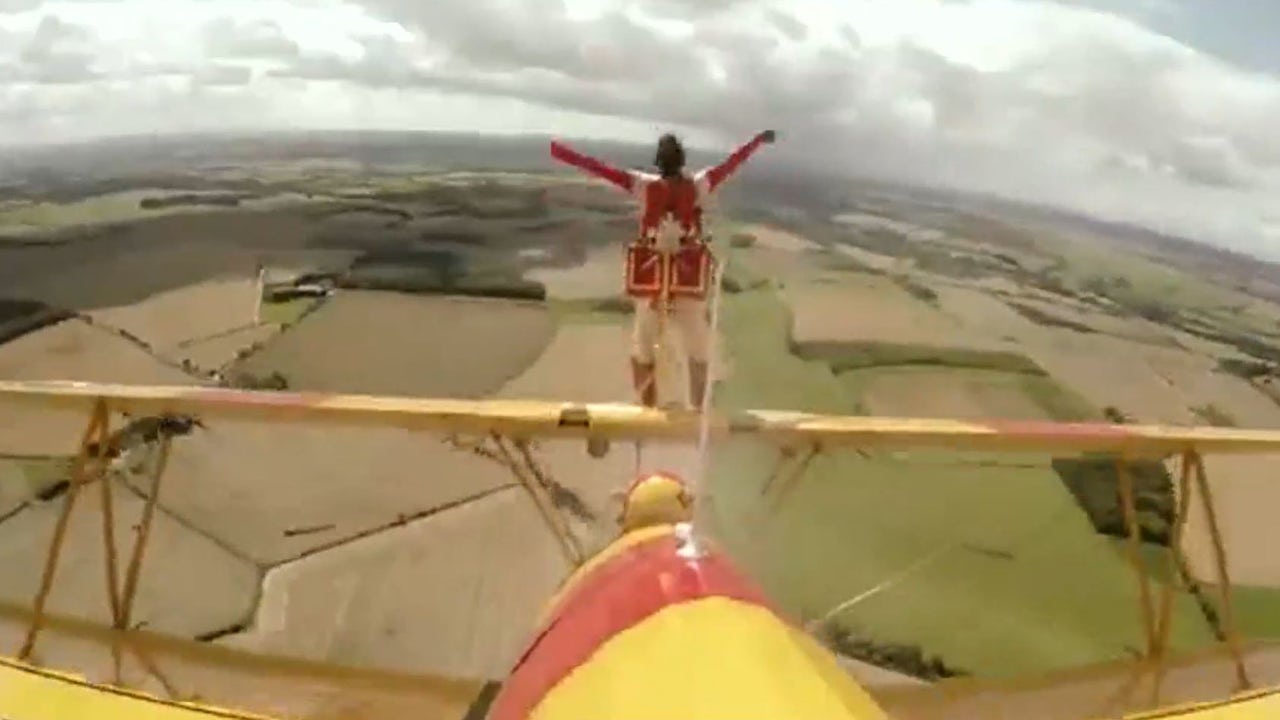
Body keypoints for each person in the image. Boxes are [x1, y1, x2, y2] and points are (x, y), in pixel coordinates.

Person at [550, 129, 776, 409]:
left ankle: (649, 410)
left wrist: (560, 152)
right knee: (696, 350)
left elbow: (600, 169)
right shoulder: (697, 185)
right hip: (684, 279)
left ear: (659, 162)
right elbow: (731, 164)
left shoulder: (646, 186)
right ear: (682, 160)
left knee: (644, 349)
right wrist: (755, 142)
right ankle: (696, 410)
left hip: (653, 280)